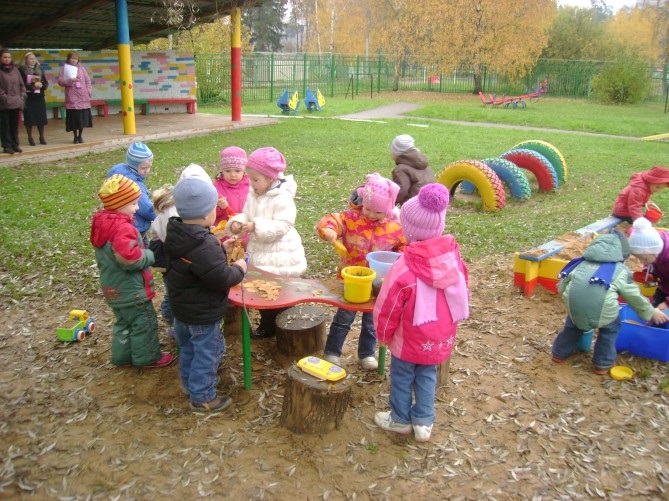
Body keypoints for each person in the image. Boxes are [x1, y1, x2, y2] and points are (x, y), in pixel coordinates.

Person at [373, 183, 468, 442]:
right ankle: (424, 422)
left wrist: (382, 334)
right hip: (440, 336)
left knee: (403, 375)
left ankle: (400, 419)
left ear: (410, 229)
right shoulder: (453, 257)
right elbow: (463, 288)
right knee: (427, 373)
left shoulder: (405, 267)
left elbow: (388, 305)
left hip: (410, 337)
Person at [164, 176, 247, 412]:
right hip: (202, 313)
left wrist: (220, 248)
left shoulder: (177, 233)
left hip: (182, 310)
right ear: (205, 214)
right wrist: (239, 268)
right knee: (208, 353)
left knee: (189, 348)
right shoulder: (203, 244)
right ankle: (202, 397)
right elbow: (221, 277)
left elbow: (195, 264)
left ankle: (190, 385)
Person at [316, 173, 407, 370]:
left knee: (371, 322)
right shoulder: (351, 219)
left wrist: (399, 258)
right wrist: (329, 229)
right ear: (362, 203)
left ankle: (366, 354)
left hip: (377, 283)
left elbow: (403, 246)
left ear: (389, 209)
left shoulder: (395, 227)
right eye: (368, 209)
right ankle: (332, 351)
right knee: (343, 318)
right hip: (351, 280)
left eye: (378, 212)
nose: (372, 215)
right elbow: (332, 220)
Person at [551, 225, 668, 375]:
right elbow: (634, 297)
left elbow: (563, 284)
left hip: (574, 306)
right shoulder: (620, 270)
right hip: (601, 311)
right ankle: (603, 363)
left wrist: (568, 298)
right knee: (610, 328)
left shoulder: (580, 262)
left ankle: (559, 353)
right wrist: (650, 312)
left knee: (573, 324)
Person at [90, 174, 174, 368]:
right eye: (133, 204)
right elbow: (129, 258)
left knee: (123, 322)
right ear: (119, 204)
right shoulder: (122, 228)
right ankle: (147, 357)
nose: (137, 208)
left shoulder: (103, 222)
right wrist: (149, 256)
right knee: (144, 322)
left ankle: (123, 356)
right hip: (131, 289)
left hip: (113, 287)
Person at [225, 146, 307, 338]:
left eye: (255, 179)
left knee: (282, 291)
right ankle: (267, 325)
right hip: (261, 251)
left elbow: (284, 225)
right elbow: (247, 213)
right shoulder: (254, 194)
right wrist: (238, 223)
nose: (251, 183)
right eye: (250, 179)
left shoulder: (283, 198)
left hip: (281, 254)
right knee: (264, 289)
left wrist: (257, 226)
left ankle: (286, 328)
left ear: (271, 178)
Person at [107, 142, 156, 243]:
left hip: (120, 222)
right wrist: (161, 214)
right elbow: (145, 208)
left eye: (149, 167)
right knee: (140, 250)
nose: (147, 171)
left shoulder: (119, 173)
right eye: (143, 168)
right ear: (133, 166)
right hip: (135, 226)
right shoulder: (134, 185)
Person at [149, 184, 179, 338]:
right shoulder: (169, 215)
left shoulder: (167, 212)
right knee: (172, 289)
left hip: (166, 258)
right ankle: (171, 318)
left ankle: (170, 313)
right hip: (167, 258)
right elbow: (172, 239)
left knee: (171, 287)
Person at [628, 217, 669, 308]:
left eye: (644, 259)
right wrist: (649, 272)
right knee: (654, 310)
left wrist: (667, 303)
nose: (641, 262)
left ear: (649, 252)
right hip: (665, 286)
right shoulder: (654, 246)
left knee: (662, 311)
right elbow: (649, 261)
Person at [390, 134, 435, 206]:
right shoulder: (423, 163)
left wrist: (390, 204)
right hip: (430, 202)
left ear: (397, 152)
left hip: (414, 206)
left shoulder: (401, 169)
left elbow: (401, 191)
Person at [57, 51, 92, 144]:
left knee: (81, 119)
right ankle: (75, 136)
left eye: (76, 59)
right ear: (68, 59)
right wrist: (69, 80)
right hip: (72, 97)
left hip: (83, 96)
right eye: (72, 58)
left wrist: (88, 91)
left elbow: (88, 80)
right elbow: (60, 81)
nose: (74, 60)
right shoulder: (64, 68)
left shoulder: (82, 68)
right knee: (74, 119)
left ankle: (80, 136)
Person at [214, 146, 250, 227]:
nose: (233, 175)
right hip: (224, 229)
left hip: (245, 228)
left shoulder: (250, 185)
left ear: (244, 171)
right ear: (222, 171)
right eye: (228, 171)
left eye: (237, 171)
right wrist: (220, 208)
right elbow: (208, 213)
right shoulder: (216, 188)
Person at [18, 52, 48, 146]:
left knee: (41, 118)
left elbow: (45, 81)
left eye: (34, 58)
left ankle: (41, 137)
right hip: (29, 97)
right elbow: (21, 83)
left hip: (39, 96)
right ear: (25, 60)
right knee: (29, 118)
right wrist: (32, 86)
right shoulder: (21, 70)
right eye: (30, 58)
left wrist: (42, 85)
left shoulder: (39, 69)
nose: (33, 60)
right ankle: (30, 138)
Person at [0, 49, 26, 155]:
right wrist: (5, 97)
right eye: (5, 57)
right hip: (4, 103)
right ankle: (7, 146)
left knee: (14, 125)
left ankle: (15, 144)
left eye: (9, 57)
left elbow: (22, 85)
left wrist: (22, 96)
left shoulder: (15, 70)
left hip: (16, 102)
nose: (7, 59)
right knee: (5, 125)